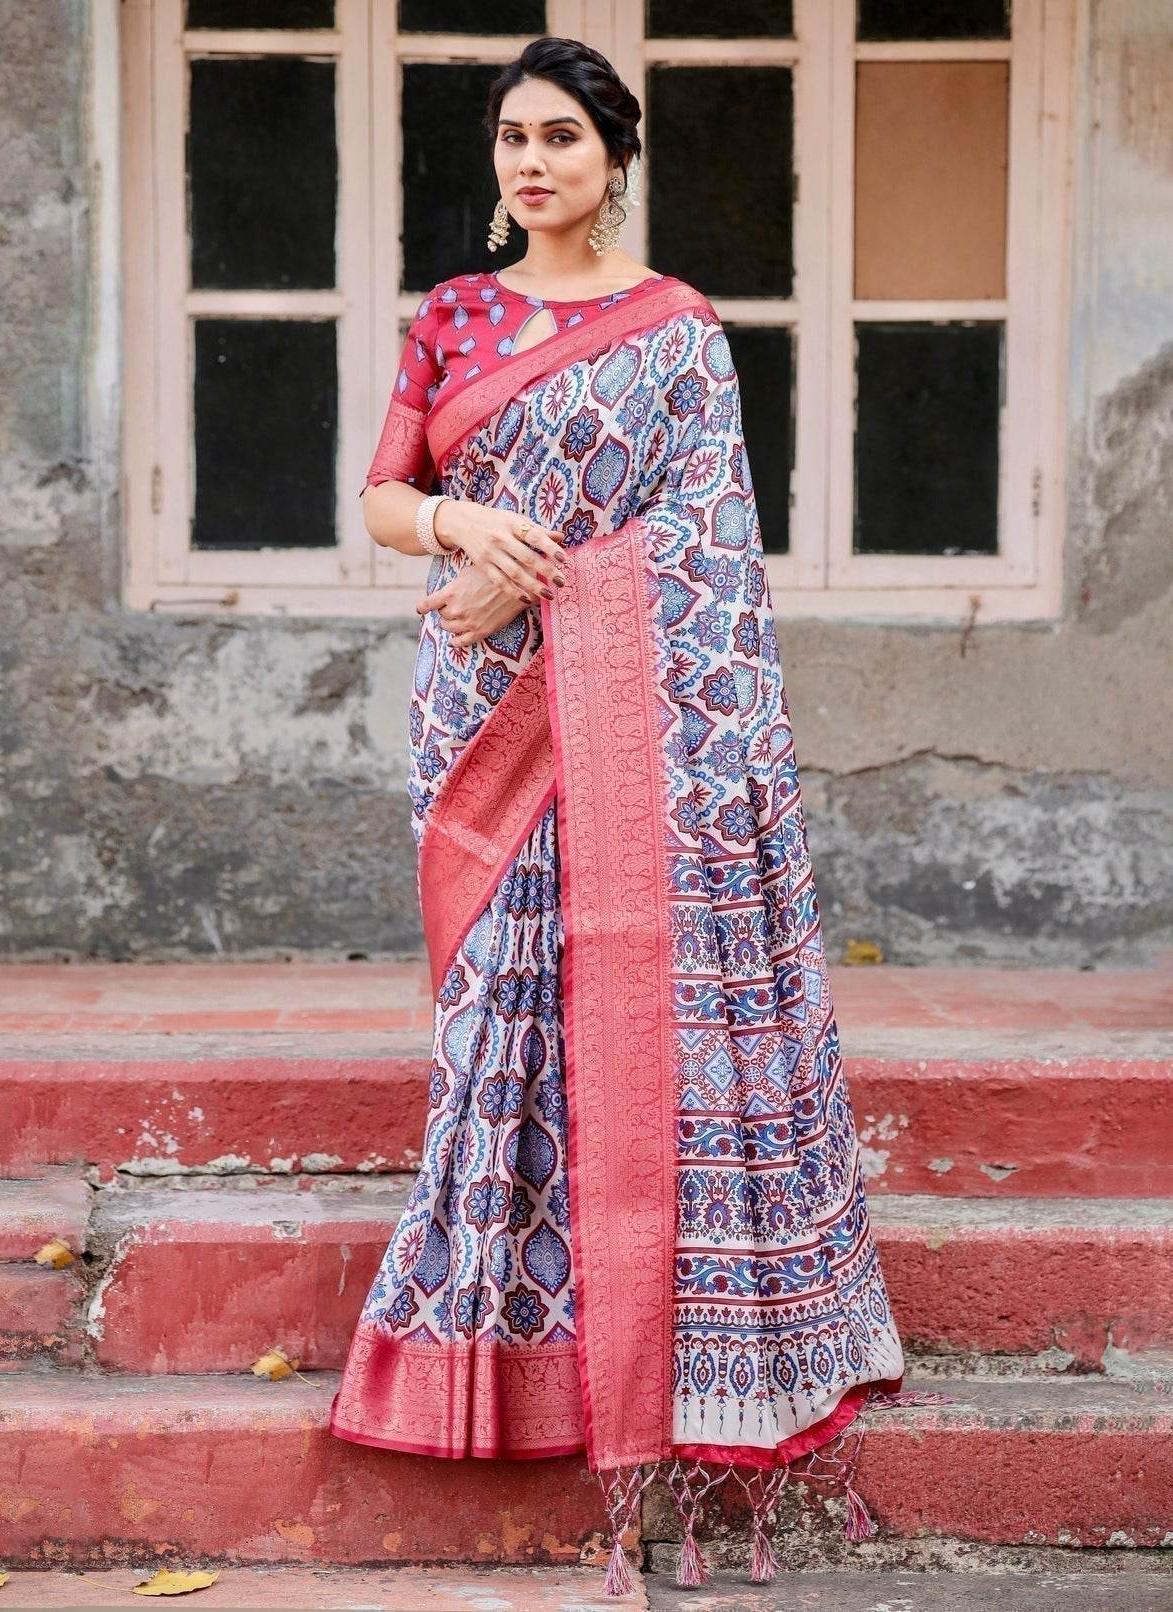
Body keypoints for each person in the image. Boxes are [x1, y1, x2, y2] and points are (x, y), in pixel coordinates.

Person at [328, 34, 906, 1596]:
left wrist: (555, 581)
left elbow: (708, 561)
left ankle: (671, 1415)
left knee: (643, 1044)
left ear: (614, 158)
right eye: (513, 137)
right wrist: (455, 529)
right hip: (484, 717)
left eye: (562, 139)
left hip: (650, 736)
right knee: (503, 1028)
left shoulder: (676, 332)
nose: (531, 164)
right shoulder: (452, 316)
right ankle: (501, 1369)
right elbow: (381, 493)